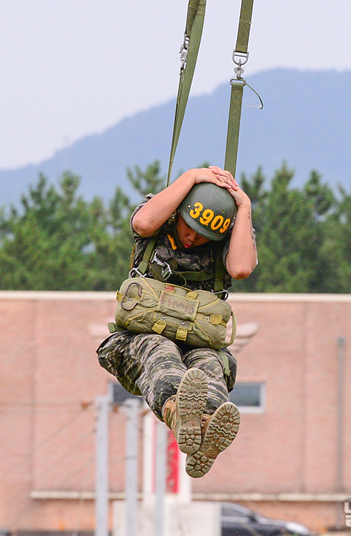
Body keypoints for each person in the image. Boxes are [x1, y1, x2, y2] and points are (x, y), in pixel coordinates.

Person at [98, 166, 257, 478]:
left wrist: (244, 207)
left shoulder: (228, 236)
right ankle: (177, 413)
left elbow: (239, 269)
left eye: (204, 235)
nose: (192, 238)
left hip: (196, 342)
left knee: (209, 366)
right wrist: (192, 177)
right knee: (161, 350)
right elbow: (143, 223)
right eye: (190, 227)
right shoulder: (162, 213)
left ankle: (205, 432)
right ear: (181, 211)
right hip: (138, 344)